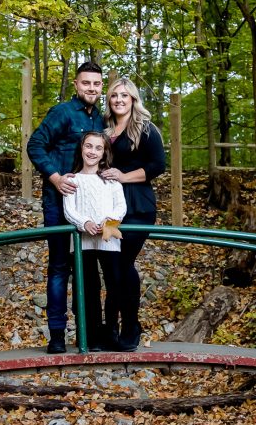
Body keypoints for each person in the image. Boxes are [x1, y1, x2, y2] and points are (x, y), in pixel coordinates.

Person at [26, 61, 104, 353]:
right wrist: (56, 178)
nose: (92, 89)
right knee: (59, 267)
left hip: (89, 207)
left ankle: (87, 333)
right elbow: (35, 145)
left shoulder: (99, 119)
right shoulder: (62, 113)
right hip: (58, 203)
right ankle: (57, 336)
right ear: (76, 84)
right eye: (86, 83)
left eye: (96, 84)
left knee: (87, 269)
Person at [99, 77, 166, 351]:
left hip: (137, 206)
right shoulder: (104, 132)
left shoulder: (146, 129)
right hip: (109, 207)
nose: (119, 100)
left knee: (123, 264)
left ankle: (130, 325)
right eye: (114, 95)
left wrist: (124, 176)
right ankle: (110, 327)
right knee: (112, 267)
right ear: (109, 100)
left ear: (133, 100)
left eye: (124, 96)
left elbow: (158, 166)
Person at [62, 131, 126, 352]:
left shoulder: (110, 181)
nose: (92, 152)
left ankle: (112, 333)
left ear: (104, 153)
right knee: (89, 288)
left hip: (109, 239)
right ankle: (92, 336)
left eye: (98, 148)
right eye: (89, 146)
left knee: (115, 285)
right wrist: (85, 222)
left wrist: (108, 221)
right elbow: (69, 210)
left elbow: (121, 206)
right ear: (81, 148)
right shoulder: (72, 180)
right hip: (83, 243)